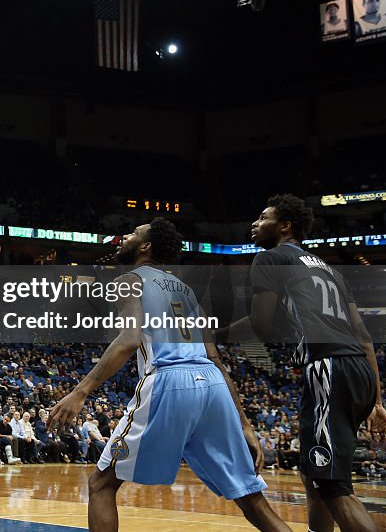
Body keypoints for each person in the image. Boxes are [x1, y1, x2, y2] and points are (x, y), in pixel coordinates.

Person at [48, 218, 292, 532]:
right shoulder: (186, 290)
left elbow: (128, 340)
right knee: (251, 498)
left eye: (134, 233)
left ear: (146, 246)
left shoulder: (129, 280)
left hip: (170, 381)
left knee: (101, 485)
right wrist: (244, 424)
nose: (126, 236)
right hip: (212, 385)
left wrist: (80, 392)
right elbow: (216, 359)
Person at [247, 194, 386, 532]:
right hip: (357, 369)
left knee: (332, 484)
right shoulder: (330, 271)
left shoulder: (271, 258)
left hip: (329, 367)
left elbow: (261, 325)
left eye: (263, 217)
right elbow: (364, 336)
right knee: (312, 472)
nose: (255, 223)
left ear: (285, 226)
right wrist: (378, 400)